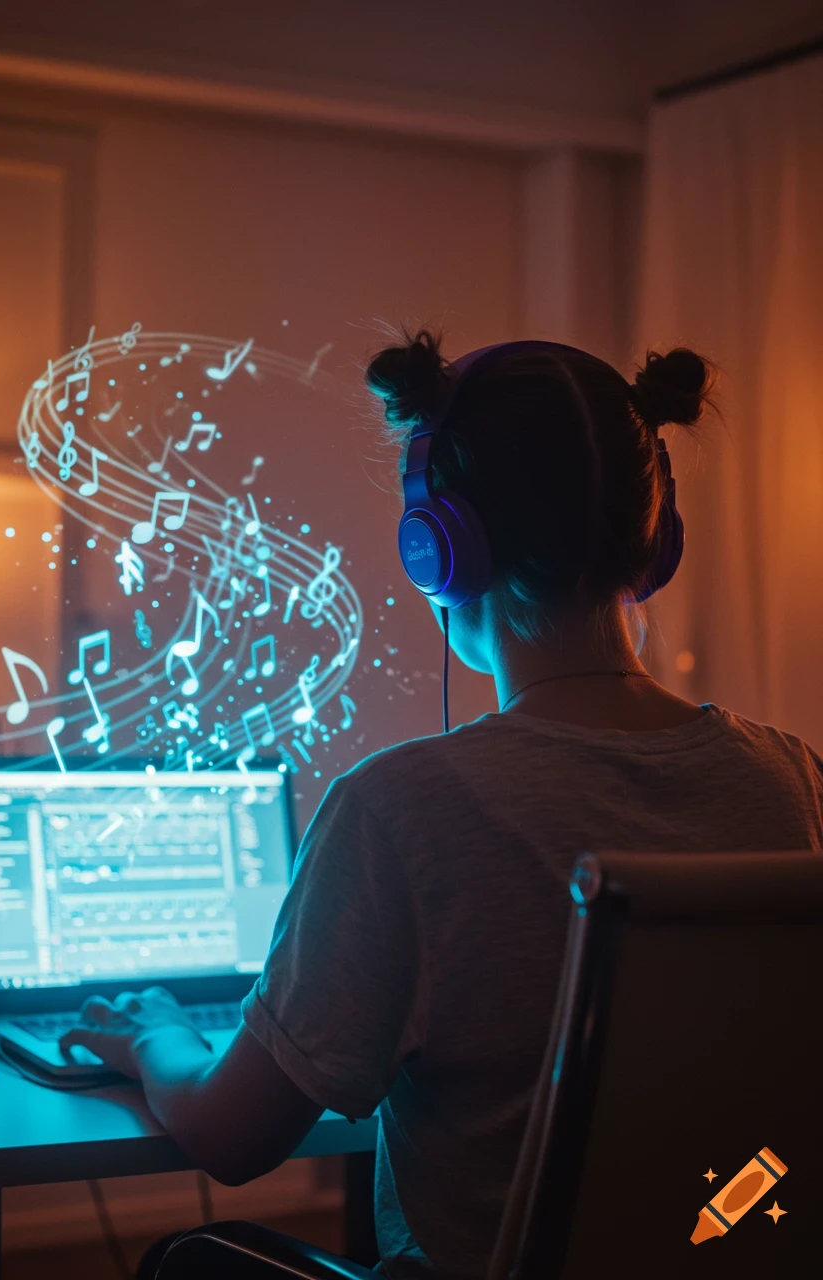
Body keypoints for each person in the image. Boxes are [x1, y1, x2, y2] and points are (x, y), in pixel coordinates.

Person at [62, 332, 823, 1280]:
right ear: (658, 542)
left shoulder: (397, 812)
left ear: (439, 551)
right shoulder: (794, 780)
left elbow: (234, 1136)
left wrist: (155, 1037)